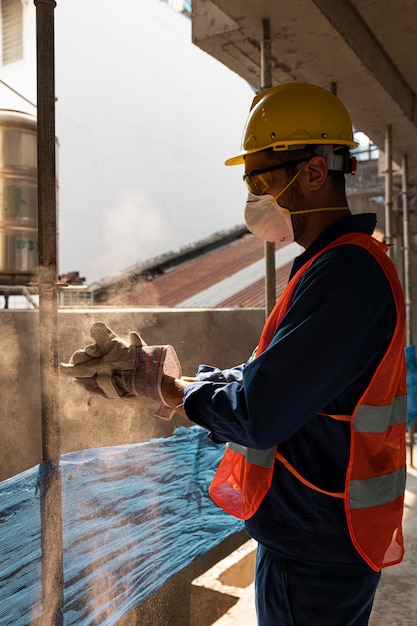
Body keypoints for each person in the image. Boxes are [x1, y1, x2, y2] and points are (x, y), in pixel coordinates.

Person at [61, 83, 407, 626]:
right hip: (313, 534)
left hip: (316, 545)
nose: (252, 195)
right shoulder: (332, 266)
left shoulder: (346, 276)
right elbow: (266, 378)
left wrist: (167, 391)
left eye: (260, 177)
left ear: (314, 173)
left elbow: (261, 412)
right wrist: (173, 380)